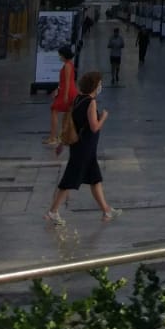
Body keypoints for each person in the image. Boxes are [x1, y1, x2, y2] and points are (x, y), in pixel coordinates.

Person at [46, 69, 112, 223]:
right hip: (85, 147)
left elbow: (71, 124)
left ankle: (106, 211)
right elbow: (94, 127)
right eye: (99, 84)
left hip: (82, 146)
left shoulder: (78, 99)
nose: (100, 86)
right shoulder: (91, 102)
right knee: (70, 179)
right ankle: (52, 211)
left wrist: (62, 143)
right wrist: (103, 117)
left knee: (95, 179)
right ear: (94, 86)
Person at [46, 45, 76, 147]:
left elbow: (67, 81)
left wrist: (65, 95)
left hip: (67, 91)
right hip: (66, 90)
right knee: (66, 114)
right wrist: (57, 90)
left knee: (54, 110)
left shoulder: (67, 65)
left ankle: (53, 137)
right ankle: (60, 136)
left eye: (60, 55)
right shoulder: (69, 64)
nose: (60, 57)